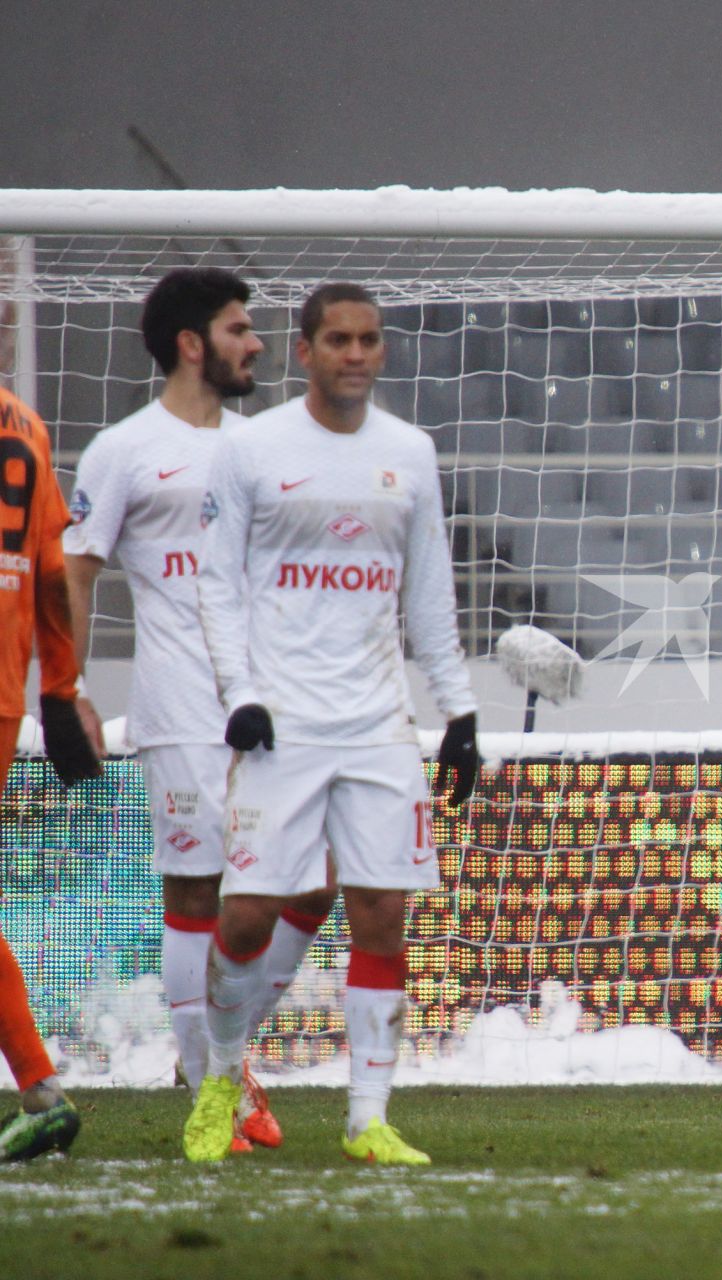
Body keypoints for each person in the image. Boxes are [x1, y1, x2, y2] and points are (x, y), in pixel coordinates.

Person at [184, 282, 480, 1165]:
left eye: (370, 341)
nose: (357, 355)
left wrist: (458, 710)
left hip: (379, 724)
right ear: (305, 350)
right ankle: (221, 1084)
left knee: (383, 914)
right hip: (282, 722)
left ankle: (368, 1119)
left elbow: (429, 592)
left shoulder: (412, 453)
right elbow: (216, 580)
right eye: (339, 341)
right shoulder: (254, 449)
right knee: (246, 919)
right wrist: (238, 691)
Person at [65, 267, 338, 1154]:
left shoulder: (263, 449)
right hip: (181, 705)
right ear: (192, 344)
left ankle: (218, 1056)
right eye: (238, 328)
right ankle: (218, 1087)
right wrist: (69, 687)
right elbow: (77, 567)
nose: (255, 343)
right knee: (198, 892)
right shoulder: (123, 449)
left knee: (321, 876)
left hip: (266, 701)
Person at [0, 384, 101, 1162]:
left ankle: (40, 1086)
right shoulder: (27, 421)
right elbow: (50, 571)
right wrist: (60, 692)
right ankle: (39, 1088)